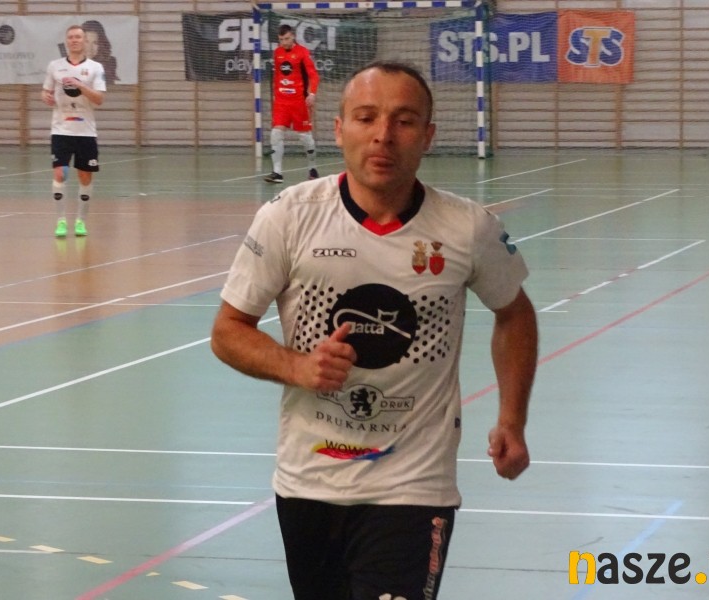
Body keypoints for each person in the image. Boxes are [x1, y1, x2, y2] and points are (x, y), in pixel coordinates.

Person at [211, 61, 538, 600]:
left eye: (404, 121)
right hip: (310, 480)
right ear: (339, 130)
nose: (384, 134)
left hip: (414, 483)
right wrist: (297, 366)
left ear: (428, 136)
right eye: (366, 118)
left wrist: (512, 419)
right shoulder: (289, 217)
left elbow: (515, 313)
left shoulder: (466, 227)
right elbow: (228, 330)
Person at [41, 24, 106, 237]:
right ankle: (61, 221)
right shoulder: (55, 66)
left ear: (84, 41)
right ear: (67, 41)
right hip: (61, 129)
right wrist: (46, 96)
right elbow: (45, 91)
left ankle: (81, 221)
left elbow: (99, 99)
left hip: (85, 131)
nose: (74, 40)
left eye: (78, 37)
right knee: (60, 173)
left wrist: (81, 86)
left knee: (85, 176)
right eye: (71, 37)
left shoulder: (95, 68)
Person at [263, 24, 320, 184]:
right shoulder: (278, 53)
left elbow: (313, 75)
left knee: (305, 137)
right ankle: (277, 173)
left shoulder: (303, 52)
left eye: (287, 39)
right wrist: (276, 93)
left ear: (293, 36)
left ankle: (312, 168)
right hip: (282, 102)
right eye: (281, 39)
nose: (284, 42)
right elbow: (278, 75)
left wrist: (312, 93)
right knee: (276, 134)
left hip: (299, 102)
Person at [81, 20, 120, 84]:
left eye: (95, 43)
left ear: (101, 45)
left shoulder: (109, 64)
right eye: (86, 41)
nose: (90, 48)